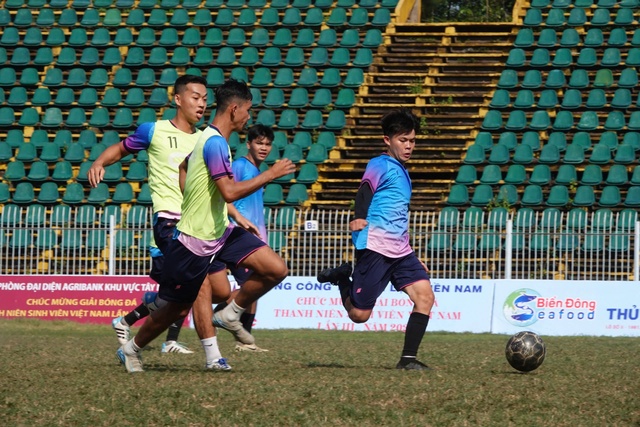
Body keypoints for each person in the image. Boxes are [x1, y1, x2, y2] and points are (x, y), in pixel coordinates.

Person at [116, 78, 296, 373]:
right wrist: (271, 174)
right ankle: (131, 348)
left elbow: (184, 166)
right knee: (175, 307)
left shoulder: (211, 140)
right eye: (248, 111)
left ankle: (230, 314)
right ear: (235, 109)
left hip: (221, 232)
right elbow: (229, 192)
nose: (249, 118)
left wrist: (193, 195)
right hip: (193, 240)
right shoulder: (213, 142)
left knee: (276, 268)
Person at [89, 74, 239, 370]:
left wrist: (236, 215)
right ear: (178, 99)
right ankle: (213, 357)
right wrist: (98, 163)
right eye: (195, 97)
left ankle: (147, 310)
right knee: (201, 287)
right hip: (170, 221)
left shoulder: (207, 138)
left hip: (205, 225)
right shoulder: (153, 131)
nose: (202, 104)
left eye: (206, 99)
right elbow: (119, 149)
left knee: (218, 291)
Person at [317, 108, 435, 371]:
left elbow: (398, 216)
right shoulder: (379, 164)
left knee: (425, 297)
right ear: (387, 140)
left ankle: (407, 360)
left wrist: (412, 253)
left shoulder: (403, 172)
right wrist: (359, 216)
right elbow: (365, 190)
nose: (408, 146)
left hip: (400, 251)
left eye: (412, 140)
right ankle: (341, 279)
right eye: (402, 140)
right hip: (376, 247)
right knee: (359, 315)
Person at [214, 124, 275, 352]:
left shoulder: (258, 170)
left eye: (268, 144)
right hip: (237, 236)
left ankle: (243, 338)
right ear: (248, 144)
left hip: (253, 237)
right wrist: (238, 220)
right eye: (259, 143)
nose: (264, 147)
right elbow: (224, 194)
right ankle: (217, 317)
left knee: (253, 288)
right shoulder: (239, 166)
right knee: (252, 286)